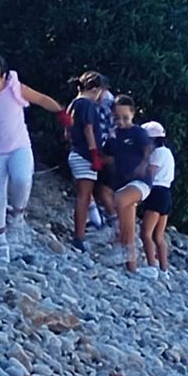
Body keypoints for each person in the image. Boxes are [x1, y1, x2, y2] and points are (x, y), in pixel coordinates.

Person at [0, 57, 63, 263]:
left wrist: (61, 112)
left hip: (19, 146)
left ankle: (18, 215)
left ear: (3, 77)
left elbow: (41, 99)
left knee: (22, 179)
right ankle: (1, 241)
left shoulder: (14, 88)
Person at [66, 72, 115, 252]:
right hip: (85, 154)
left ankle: (81, 233)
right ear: (95, 89)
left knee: (84, 195)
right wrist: (94, 153)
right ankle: (79, 236)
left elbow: (67, 131)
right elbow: (88, 129)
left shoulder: (74, 103)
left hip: (75, 151)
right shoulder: (87, 104)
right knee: (84, 196)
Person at [106, 95, 153, 275]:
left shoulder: (138, 132)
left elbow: (148, 149)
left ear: (132, 114)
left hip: (140, 182)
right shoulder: (113, 136)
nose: (121, 122)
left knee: (119, 200)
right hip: (122, 182)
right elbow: (108, 156)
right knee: (127, 218)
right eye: (117, 118)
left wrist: (142, 165)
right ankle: (131, 266)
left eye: (125, 117)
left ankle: (120, 246)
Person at [139, 121, 174, 276]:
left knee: (146, 233)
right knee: (159, 236)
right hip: (166, 193)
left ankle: (152, 266)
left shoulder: (158, 153)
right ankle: (164, 269)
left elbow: (150, 175)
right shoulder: (168, 152)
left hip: (156, 192)